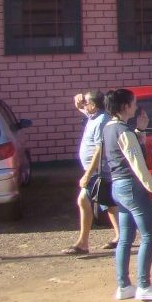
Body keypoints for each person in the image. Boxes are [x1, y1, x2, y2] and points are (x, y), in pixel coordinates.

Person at [102, 89, 152, 301]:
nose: (136, 107)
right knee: (150, 234)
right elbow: (139, 167)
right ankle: (144, 285)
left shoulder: (109, 127)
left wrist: (139, 131)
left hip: (117, 185)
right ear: (125, 106)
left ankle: (124, 284)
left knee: (125, 237)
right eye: (133, 103)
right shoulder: (124, 132)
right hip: (132, 186)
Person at [63, 91, 119, 255]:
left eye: (87, 103)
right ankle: (121, 236)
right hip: (95, 171)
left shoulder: (101, 120)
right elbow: (85, 111)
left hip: (98, 171)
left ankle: (83, 243)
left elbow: (99, 149)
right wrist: (79, 105)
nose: (84, 106)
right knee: (109, 203)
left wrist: (88, 173)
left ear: (94, 105)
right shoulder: (95, 117)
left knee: (83, 201)